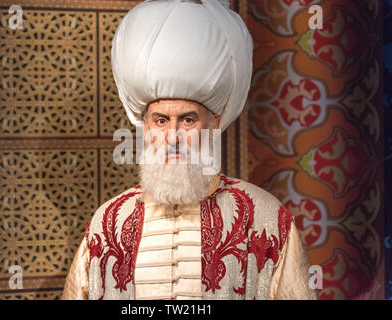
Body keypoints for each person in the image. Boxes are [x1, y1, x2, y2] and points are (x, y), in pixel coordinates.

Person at [62, 0, 318, 300]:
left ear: (214, 123)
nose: (173, 136)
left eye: (187, 119)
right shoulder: (108, 223)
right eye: (160, 121)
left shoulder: (265, 217)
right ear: (145, 127)